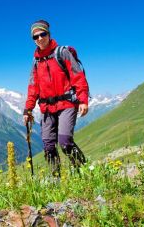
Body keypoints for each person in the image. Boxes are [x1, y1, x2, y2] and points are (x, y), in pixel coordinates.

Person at [23, 20, 89, 177]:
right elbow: (33, 88)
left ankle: (85, 171)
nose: (39, 38)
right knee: (48, 146)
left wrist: (83, 100)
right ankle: (56, 179)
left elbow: (78, 77)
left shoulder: (62, 53)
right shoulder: (36, 61)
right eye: (35, 36)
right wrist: (28, 109)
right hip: (46, 108)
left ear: (48, 34)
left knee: (65, 142)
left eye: (42, 34)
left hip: (66, 104)